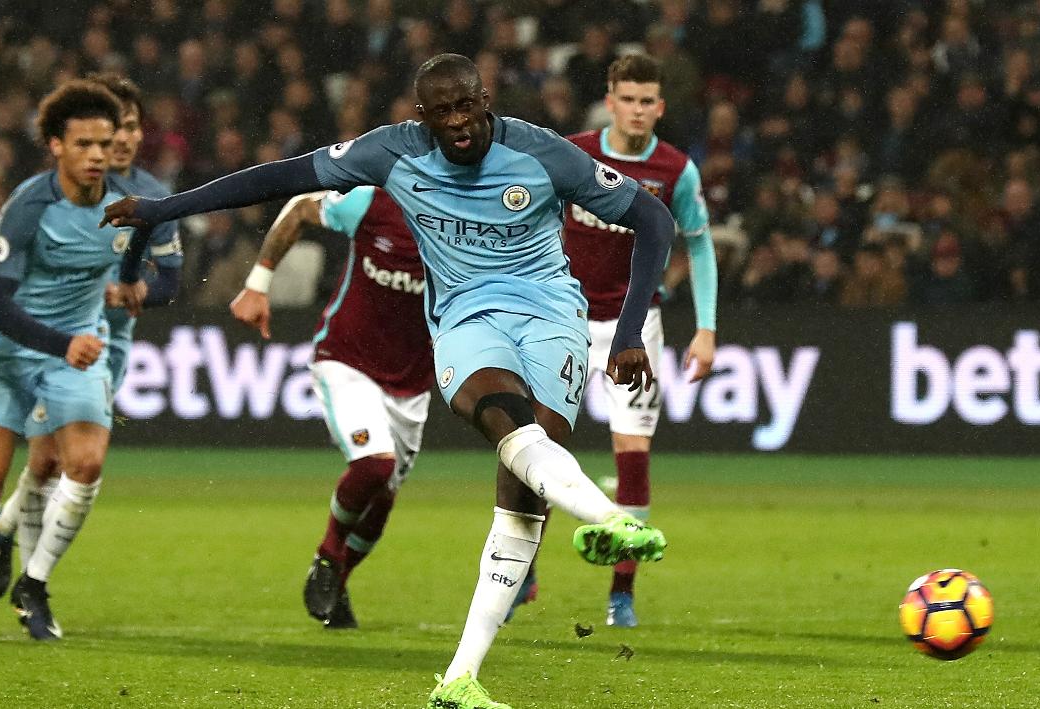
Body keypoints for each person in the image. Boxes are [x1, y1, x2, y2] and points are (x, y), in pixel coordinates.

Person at [103, 53, 672, 709]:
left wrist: (628, 332)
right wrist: (166, 207)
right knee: (504, 422)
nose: (458, 123)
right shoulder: (391, 153)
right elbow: (280, 178)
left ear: (485, 100)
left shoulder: (542, 153)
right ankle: (609, 518)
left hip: (552, 317)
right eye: (443, 112)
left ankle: (459, 679)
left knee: (524, 492)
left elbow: (652, 220)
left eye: (467, 106)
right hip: (464, 319)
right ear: (422, 116)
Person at [0, 80, 176, 643]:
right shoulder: (28, 207)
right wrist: (61, 343)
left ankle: (34, 583)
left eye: (104, 143)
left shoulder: (131, 205)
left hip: (79, 349)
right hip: (13, 350)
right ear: (55, 146)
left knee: (84, 466)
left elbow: (152, 270)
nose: (98, 154)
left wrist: (132, 287)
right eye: (84, 144)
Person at [539, 53, 717, 628]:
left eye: (647, 101)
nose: (637, 111)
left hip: (635, 328)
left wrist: (707, 328)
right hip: (564, 319)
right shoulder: (574, 154)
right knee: (538, 446)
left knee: (633, 451)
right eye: (628, 100)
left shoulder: (675, 170)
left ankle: (622, 592)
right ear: (610, 102)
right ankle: (521, 572)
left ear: (659, 107)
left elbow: (699, 245)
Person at [230, 187, 432, 629]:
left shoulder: (472, 223)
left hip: (413, 382)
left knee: (383, 498)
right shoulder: (373, 201)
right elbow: (299, 209)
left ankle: (336, 583)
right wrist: (257, 284)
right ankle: (328, 554)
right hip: (346, 359)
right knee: (375, 465)